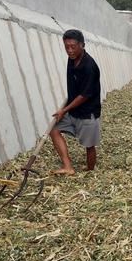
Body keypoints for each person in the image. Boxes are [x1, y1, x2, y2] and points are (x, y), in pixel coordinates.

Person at [50, 29, 101, 174]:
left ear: (82, 45)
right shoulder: (72, 60)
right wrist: (67, 109)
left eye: (73, 46)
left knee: (89, 145)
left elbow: (84, 95)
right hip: (73, 110)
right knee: (54, 130)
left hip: (87, 113)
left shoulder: (89, 66)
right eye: (66, 47)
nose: (69, 50)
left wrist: (64, 110)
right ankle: (68, 167)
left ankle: (90, 172)